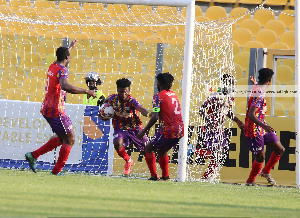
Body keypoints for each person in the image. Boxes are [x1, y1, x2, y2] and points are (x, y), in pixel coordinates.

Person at [24, 39, 97, 175]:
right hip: (55, 110)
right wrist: (87, 91)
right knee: (70, 139)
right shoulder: (62, 70)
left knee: (62, 138)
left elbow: (64, 55)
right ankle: (56, 171)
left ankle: (33, 155)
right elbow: (65, 86)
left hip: (47, 108)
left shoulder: (53, 65)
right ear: (67, 58)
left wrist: (70, 47)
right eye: (69, 57)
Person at [197, 74, 244, 180]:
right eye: (231, 83)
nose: (233, 85)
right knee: (217, 155)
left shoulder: (230, 97)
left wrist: (238, 121)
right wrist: (209, 122)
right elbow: (201, 109)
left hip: (219, 128)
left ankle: (205, 178)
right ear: (225, 83)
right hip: (211, 128)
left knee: (218, 155)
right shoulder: (215, 95)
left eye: (233, 83)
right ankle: (190, 150)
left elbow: (226, 111)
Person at [137, 72, 184, 181]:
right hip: (180, 129)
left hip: (169, 129)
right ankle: (165, 177)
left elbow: (155, 117)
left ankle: (154, 176)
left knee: (148, 147)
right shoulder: (173, 94)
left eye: (157, 82)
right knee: (162, 151)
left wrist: (143, 131)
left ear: (159, 83)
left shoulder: (158, 97)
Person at [99, 78, 150, 176]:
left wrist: (148, 115)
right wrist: (103, 115)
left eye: (125, 92)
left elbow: (141, 109)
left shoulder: (132, 101)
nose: (123, 94)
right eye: (121, 92)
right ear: (117, 90)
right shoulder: (111, 99)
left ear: (129, 91)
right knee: (117, 143)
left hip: (135, 128)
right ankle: (128, 160)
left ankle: (154, 174)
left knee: (147, 149)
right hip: (120, 127)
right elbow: (102, 114)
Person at [244, 68, 285, 186]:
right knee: (260, 157)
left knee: (280, 149)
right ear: (270, 80)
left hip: (261, 125)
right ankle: (250, 181)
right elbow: (251, 114)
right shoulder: (260, 93)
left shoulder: (257, 88)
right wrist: (264, 127)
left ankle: (266, 171)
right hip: (254, 128)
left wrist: (254, 84)